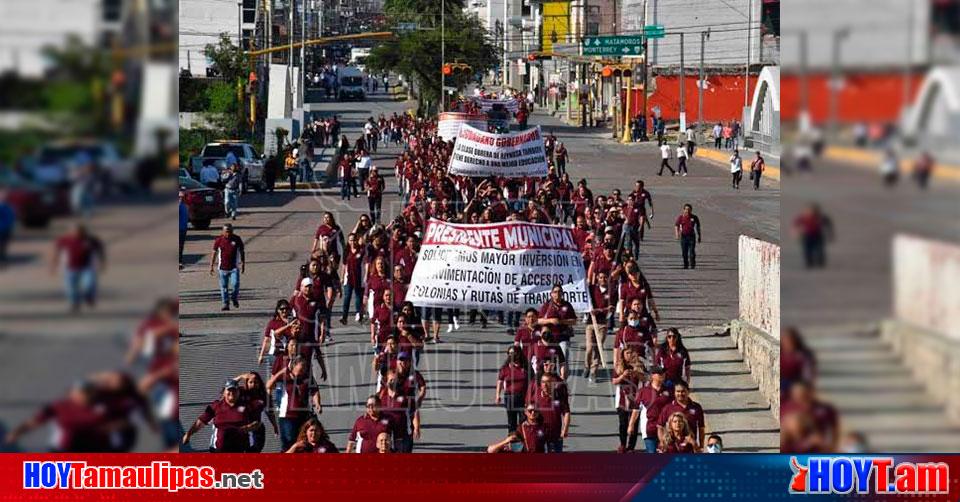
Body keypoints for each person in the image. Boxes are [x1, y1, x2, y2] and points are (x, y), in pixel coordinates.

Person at [182, 379, 261, 453]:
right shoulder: (216, 406)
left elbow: (257, 423)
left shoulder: (247, 405)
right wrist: (188, 434)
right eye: (229, 390)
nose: (232, 392)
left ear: (239, 392)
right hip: (219, 450)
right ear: (224, 392)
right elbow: (201, 422)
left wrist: (248, 428)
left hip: (242, 449)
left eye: (234, 390)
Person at [267, 355, 321, 452]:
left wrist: (317, 403)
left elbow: (315, 391)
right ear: (294, 366)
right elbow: (269, 385)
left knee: (303, 441)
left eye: (304, 368)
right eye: (301, 368)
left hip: (304, 415)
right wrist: (281, 372)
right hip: (287, 416)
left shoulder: (308, 378)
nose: (303, 370)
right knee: (289, 442)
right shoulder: (285, 377)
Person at [51, 223, 105, 313]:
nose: (77, 233)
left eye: (80, 231)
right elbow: (56, 252)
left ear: (84, 231)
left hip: (87, 268)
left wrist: (102, 263)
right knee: (71, 288)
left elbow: (100, 251)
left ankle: (89, 297)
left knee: (89, 285)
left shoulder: (91, 240)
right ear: (70, 232)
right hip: (70, 268)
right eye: (75, 231)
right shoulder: (64, 240)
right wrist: (53, 265)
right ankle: (74, 303)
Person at [631, 365, 672, 453]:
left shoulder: (669, 391)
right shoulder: (643, 391)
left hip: (665, 429)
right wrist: (631, 425)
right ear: (652, 375)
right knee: (652, 452)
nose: (663, 375)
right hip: (649, 428)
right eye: (660, 373)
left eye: (663, 373)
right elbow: (636, 410)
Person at [379, 370, 421, 453]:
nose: (393, 382)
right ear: (386, 382)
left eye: (395, 380)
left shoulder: (406, 398)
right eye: (391, 380)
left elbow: (414, 412)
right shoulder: (381, 398)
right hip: (387, 435)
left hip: (403, 435)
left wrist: (416, 428)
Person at [657, 380, 705, 449]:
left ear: (688, 391)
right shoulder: (668, 408)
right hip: (672, 447)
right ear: (674, 392)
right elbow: (660, 426)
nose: (680, 394)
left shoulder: (696, 407)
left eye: (683, 391)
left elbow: (701, 428)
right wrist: (662, 442)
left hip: (690, 447)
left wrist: (701, 446)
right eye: (678, 391)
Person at [529, 373, 570, 453]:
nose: (545, 384)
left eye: (548, 382)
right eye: (543, 382)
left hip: (555, 433)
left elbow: (566, 413)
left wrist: (565, 429)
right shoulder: (536, 394)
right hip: (539, 433)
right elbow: (528, 409)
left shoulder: (559, 395)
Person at [613, 346, 643, 452]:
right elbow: (614, 381)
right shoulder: (619, 366)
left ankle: (631, 447)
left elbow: (646, 378)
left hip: (636, 398)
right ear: (623, 354)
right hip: (622, 399)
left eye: (631, 353)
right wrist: (622, 376)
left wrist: (637, 374)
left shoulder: (639, 365)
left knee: (634, 423)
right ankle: (622, 444)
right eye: (627, 353)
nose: (629, 355)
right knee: (623, 423)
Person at [209, 223, 245, 311]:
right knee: (224, 287)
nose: (228, 233)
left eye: (230, 231)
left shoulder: (237, 239)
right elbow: (214, 253)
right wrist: (211, 265)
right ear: (223, 231)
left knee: (235, 284)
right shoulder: (219, 240)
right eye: (227, 231)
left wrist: (243, 263)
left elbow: (242, 251)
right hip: (222, 268)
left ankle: (234, 297)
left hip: (234, 267)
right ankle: (225, 303)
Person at [538, 283, 578, 359]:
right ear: (551, 294)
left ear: (562, 293)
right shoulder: (547, 305)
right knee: (550, 360)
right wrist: (550, 320)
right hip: (549, 337)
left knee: (564, 358)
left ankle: (563, 370)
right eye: (555, 292)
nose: (557, 294)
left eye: (559, 291)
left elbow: (574, 321)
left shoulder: (567, 305)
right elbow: (539, 321)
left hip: (563, 336)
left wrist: (562, 321)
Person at [495, 346, 529, 433]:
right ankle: (512, 442)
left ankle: (525, 441)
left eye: (514, 353)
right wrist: (498, 395)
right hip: (510, 397)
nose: (512, 355)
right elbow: (500, 382)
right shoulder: (505, 369)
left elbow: (532, 381)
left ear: (519, 354)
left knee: (524, 420)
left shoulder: (526, 367)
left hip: (524, 397)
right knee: (512, 422)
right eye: (509, 353)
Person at [792, 204, 833, 269]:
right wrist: (795, 232)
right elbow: (796, 224)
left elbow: (828, 224)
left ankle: (820, 263)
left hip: (818, 236)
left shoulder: (820, 217)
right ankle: (809, 263)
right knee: (807, 251)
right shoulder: (804, 217)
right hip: (807, 236)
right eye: (809, 211)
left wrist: (830, 234)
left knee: (820, 250)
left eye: (813, 211)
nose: (811, 212)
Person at [674, 204, 702, 270]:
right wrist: (677, 234)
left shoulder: (694, 217)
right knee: (684, 252)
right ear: (683, 210)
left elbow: (698, 227)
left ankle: (692, 264)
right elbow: (676, 225)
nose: (687, 211)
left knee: (692, 252)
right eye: (686, 209)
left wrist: (699, 236)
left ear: (691, 210)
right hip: (683, 237)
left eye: (689, 209)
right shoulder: (681, 217)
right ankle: (685, 265)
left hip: (692, 237)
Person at [178, 195, 188, 270]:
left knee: (181, 246)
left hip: (183, 229)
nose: (181, 198)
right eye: (180, 197)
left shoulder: (184, 206)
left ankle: (180, 262)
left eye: (183, 197)